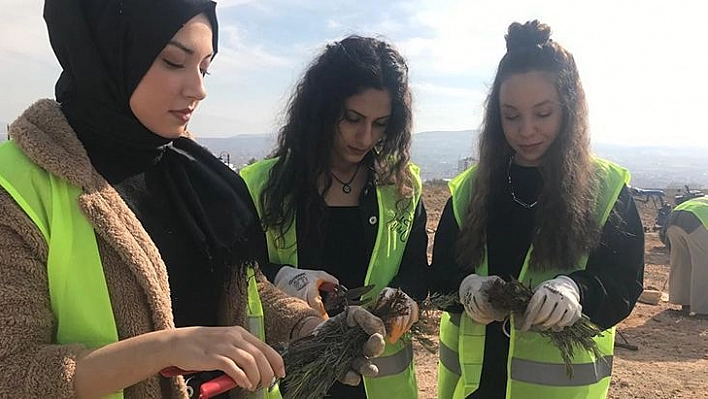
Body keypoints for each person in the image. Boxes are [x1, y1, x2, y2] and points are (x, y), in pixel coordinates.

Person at [0, 2, 386, 398]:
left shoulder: (193, 174)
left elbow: (241, 291)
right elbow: (12, 373)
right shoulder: (17, 187)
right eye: (173, 61)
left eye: (204, 68)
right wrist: (166, 348)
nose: (199, 89)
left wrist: (308, 328)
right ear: (108, 51)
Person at [430, 20, 645, 399]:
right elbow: (442, 275)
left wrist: (577, 290)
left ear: (569, 109)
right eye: (511, 116)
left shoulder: (605, 191)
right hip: (473, 387)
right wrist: (465, 288)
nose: (526, 130)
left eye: (542, 114)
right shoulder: (470, 190)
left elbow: (624, 284)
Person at [239, 35, 427, 399]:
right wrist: (286, 278)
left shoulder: (403, 188)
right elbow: (243, 275)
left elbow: (417, 269)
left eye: (380, 124)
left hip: (379, 382)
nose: (364, 136)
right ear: (323, 110)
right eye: (352, 118)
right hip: (292, 379)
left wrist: (405, 298)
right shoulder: (261, 186)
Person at [663, 196, 708, 316]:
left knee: (682, 261)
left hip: (674, 217)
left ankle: (684, 301)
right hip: (699, 220)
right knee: (704, 264)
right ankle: (703, 309)